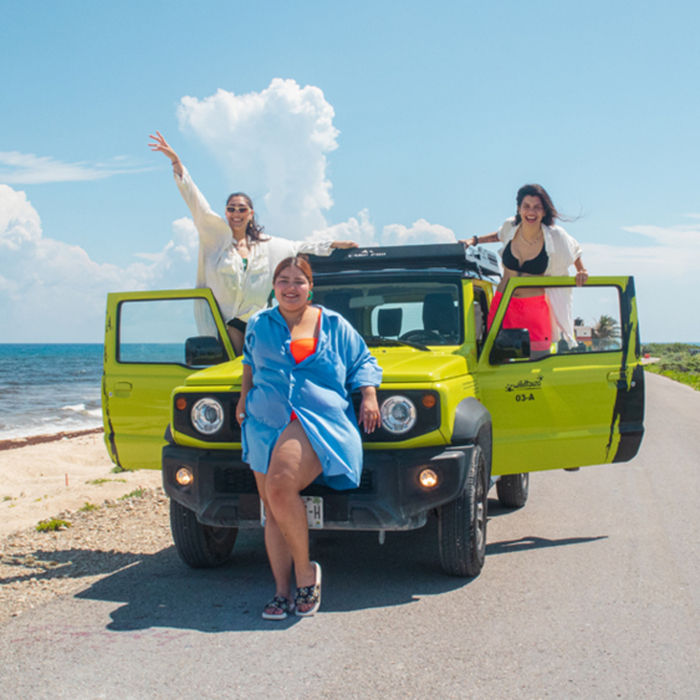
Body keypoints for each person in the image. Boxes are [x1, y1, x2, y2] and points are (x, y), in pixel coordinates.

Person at [236, 255, 382, 619]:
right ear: (274, 286)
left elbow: (363, 360)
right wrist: (242, 396)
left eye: (298, 281)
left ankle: (306, 572)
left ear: (310, 287)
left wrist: (368, 395)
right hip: (263, 420)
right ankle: (282, 591)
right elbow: (249, 363)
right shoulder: (258, 323)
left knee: (280, 487)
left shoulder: (333, 324)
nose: (290, 287)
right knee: (271, 510)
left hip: (316, 416)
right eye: (283, 280)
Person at [148, 132, 358, 353]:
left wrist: (335, 244)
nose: (236, 213)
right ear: (226, 212)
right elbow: (195, 201)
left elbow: (300, 247)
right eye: (231, 209)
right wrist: (176, 161)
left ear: (251, 213)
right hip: (221, 324)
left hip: (258, 323)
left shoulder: (268, 246)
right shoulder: (214, 238)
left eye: (242, 209)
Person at [462, 184, 588, 351]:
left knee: (536, 362)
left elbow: (574, 249)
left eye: (537, 207)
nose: (531, 212)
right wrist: (474, 240)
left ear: (544, 212)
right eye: (526, 206)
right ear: (519, 209)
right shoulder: (510, 227)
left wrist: (581, 270)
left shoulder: (555, 235)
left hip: (533, 308)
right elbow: (498, 235)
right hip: (503, 303)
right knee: (498, 360)